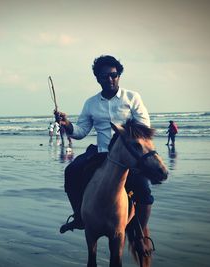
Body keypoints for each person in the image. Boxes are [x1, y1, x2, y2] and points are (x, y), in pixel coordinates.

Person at [56, 55, 154, 255]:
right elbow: (81, 131)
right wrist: (67, 125)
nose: (110, 79)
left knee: (144, 188)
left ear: (119, 75)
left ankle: (142, 232)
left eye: (113, 75)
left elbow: (144, 127)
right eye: (104, 77)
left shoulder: (132, 98)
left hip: (128, 156)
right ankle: (79, 216)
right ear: (98, 79)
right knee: (72, 171)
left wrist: (123, 133)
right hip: (101, 154)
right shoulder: (91, 103)